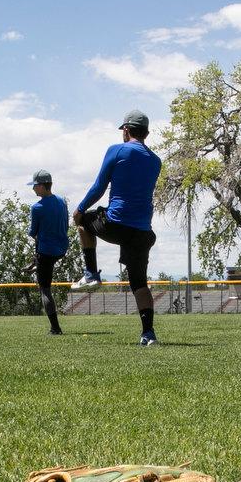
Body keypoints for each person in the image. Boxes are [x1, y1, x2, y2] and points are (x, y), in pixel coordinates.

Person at [73, 110, 163, 346]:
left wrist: (80, 209)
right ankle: (148, 333)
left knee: (83, 223)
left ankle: (91, 273)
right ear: (147, 133)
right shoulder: (155, 161)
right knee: (139, 284)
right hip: (142, 231)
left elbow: (99, 187)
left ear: (126, 130)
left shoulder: (117, 150)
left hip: (116, 222)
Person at [27, 169, 69, 334]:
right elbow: (65, 225)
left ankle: (55, 328)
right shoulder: (62, 201)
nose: (33, 189)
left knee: (45, 289)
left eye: (35, 186)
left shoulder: (37, 208)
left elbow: (33, 232)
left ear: (43, 186)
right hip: (62, 248)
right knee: (44, 263)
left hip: (47, 251)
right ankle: (37, 264)